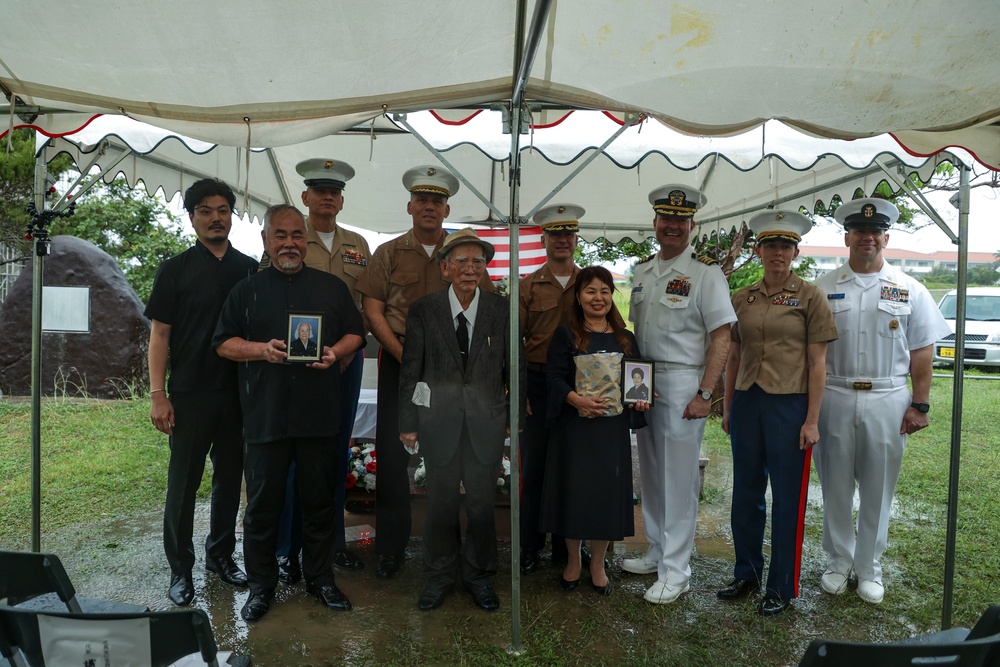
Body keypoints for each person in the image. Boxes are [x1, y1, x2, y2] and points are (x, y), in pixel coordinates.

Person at [213, 204, 365, 622]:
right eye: (280, 235)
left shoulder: (332, 287)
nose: (289, 243)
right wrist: (261, 350)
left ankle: (320, 579)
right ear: (266, 241)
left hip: (318, 416)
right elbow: (223, 342)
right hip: (265, 417)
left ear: (306, 241)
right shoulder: (247, 290)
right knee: (263, 507)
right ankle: (261, 587)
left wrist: (338, 351)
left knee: (319, 503)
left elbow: (357, 331)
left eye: (297, 235)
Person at [356, 165, 493, 580]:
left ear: (446, 207)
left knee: (450, 457)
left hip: (454, 374)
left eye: (437, 201)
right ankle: (390, 550)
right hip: (399, 364)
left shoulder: (463, 254)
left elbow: (486, 308)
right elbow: (372, 308)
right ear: (410, 206)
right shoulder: (389, 253)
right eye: (422, 200)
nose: (429, 207)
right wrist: (404, 356)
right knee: (394, 458)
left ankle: (452, 551)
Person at [813, 198, 949, 605]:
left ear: (886, 237)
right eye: (859, 231)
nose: (867, 238)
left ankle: (869, 567)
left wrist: (919, 405)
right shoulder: (824, 286)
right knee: (834, 483)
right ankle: (839, 562)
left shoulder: (910, 288)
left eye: (875, 232)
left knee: (879, 486)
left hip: (888, 395)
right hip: (835, 394)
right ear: (847, 237)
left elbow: (922, 351)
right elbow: (812, 353)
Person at [718, 210, 838, 616]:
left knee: (788, 498)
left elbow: (818, 363)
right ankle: (747, 572)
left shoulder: (811, 296)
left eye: (785, 246)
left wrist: (811, 420)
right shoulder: (743, 297)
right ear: (758, 250)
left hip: (791, 404)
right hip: (749, 402)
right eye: (770, 245)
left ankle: (781, 586)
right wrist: (729, 406)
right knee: (746, 493)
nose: (777, 253)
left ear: (796, 252)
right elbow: (734, 353)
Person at [398, 228, 524, 612]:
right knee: (440, 503)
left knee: (483, 504)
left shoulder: (502, 310)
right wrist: (408, 421)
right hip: (439, 423)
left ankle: (479, 576)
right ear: (445, 268)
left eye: (478, 262)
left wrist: (513, 418)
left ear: (486, 269)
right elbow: (411, 369)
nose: (471, 269)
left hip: (486, 422)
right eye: (462, 262)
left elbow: (512, 369)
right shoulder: (424, 309)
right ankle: (439, 576)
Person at [145, 178, 257, 607]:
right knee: (183, 483)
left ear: (232, 215)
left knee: (230, 481)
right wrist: (158, 393)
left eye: (223, 210)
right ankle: (180, 569)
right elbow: (159, 336)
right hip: (189, 393)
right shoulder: (175, 269)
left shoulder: (249, 269)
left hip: (238, 393)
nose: (216, 218)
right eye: (206, 210)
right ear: (192, 217)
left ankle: (221, 558)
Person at [623, 184, 737, 605]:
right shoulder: (642, 272)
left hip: (686, 382)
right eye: (665, 219)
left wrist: (706, 393)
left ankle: (677, 569)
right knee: (651, 472)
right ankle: (656, 549)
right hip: (644, 381)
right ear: (655, 223)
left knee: (679, 476)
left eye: (681, 220)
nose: (672, 226)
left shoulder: (706, 274)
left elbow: (722, 337)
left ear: (692, 225)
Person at [263, 158, 372, 586]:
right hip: (292, 369)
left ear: (342, 200)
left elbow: (363, 309)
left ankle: (331, 545)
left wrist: (347, 349)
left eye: (335, 191)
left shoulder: (359, 245)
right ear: (305, 196)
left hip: (344, 363)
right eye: (319, 190)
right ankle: (288, 548)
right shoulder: (287, 238)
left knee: (335, 452)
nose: (327, 197)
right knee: (293, 458)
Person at [540, 266, 649, 596]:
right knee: (575, 494)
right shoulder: (566, 335)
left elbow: (637, 381)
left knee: (603, 496)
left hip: (610, 431)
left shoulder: (624, 337)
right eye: (590, 291)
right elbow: (554, 378)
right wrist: (575, 400)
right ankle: (573, 560)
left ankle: (598, 564)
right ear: (578, 296)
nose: (597, 297)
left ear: (611, 296)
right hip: (575, 428)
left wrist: (641, 400)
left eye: (604, 291)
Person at [517, 203, 582, 574]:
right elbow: (515, 343)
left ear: (575, 240)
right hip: (539, 384)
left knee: (571, 468)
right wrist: (519, 390)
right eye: (554, 234)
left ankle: (567, 547)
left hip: (579, 383)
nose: (561, 240)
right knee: (536, 469)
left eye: (567, 234)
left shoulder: (588, 282)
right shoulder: (528, 286)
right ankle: (530, 546)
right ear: (543, 240)